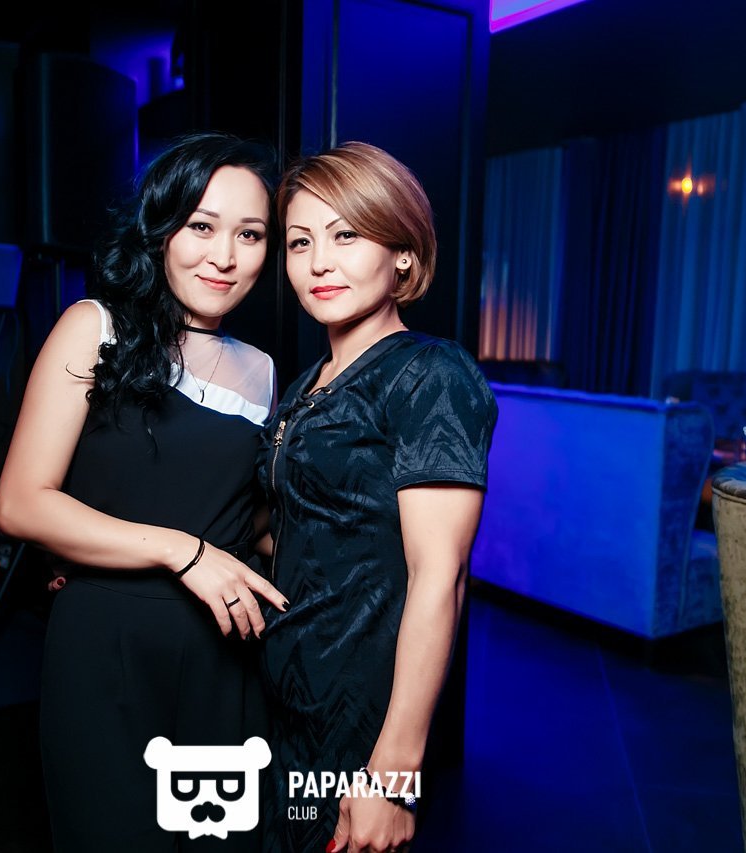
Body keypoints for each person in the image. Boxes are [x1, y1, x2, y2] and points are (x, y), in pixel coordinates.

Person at [0, 132, 288, 852]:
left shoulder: (263, 370)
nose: (225, 256)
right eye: (202, 226)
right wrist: (184, 551)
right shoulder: (93, 327)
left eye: (250, 234)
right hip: (106, 647)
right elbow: (21, 502)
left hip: (224, 653)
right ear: (162, 228)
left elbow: (249, 520)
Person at [260, 142, 497, 853]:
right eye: (300, 242)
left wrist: (393, 776)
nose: (318, 262)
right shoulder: (306, 384)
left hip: (361, 711)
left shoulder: (429, 375)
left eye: (346, 235)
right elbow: (304, 529)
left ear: (402, 255)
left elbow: (440, 575)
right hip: (289, 696)